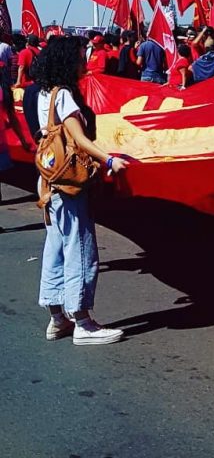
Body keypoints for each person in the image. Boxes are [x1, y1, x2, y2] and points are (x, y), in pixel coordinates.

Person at [34, 36, 129, 345]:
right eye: (79, 57)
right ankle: (83, 322)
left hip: (50, 181)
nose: (84, 63)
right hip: (70, 183)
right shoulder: (64, 97)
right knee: (80, 247)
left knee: (56, 247)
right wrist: (110, 159)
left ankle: (57, 317)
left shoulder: (43, 94)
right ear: (67, 62)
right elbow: (80, 139)